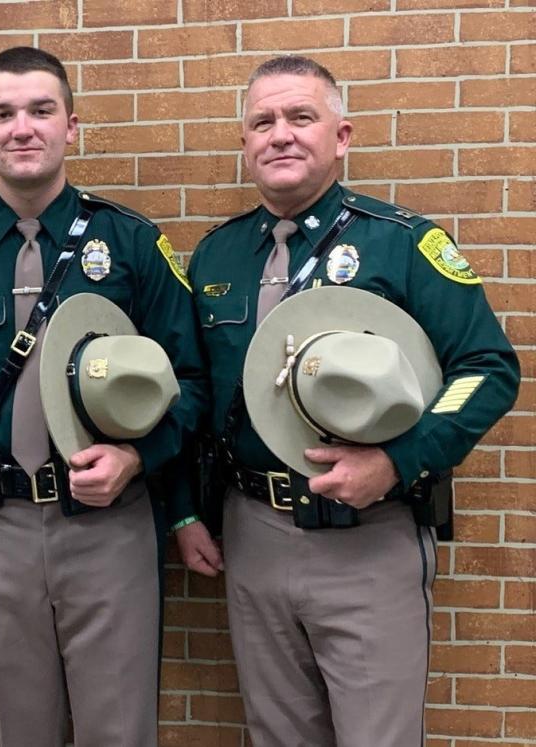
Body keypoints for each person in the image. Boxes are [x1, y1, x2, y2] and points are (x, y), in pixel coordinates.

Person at [179, 54, 520, 747]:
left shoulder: (402, 244)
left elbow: (488, 369)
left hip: (369, 536)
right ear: (245, 143)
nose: (280, 134)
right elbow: (199, 397)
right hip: (253, 532)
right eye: (262, 121)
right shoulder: (215, 258)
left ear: (342, 135)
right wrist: (188, 508)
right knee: (277, 735)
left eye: (301, 117)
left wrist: (397, 461)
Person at [0, 46, 206, 747]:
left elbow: (192, 383)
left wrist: (138, 456)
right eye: (2, 113)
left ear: (72, 126)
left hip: (109, 523)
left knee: (118, 729)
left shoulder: (133, 245)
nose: (21, 127)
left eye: (39, 110)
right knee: (18, 729)